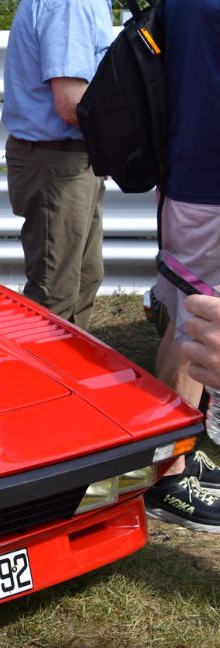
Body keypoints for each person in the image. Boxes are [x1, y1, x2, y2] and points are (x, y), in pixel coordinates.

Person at [142, 0, 220, 532]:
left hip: (188, 178)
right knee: (194, 320)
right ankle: (167, 474)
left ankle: (174, 459)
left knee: (189, 316)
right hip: (206, 183)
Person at [1, 0, 114, 329]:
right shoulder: (72, 4)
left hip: (71, 156)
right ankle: (37, 377)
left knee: (85, 278)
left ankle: (72, 373)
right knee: (55, 294)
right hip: (58, 162)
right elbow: (72, 103)